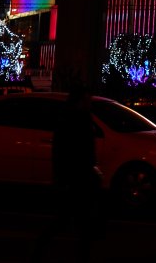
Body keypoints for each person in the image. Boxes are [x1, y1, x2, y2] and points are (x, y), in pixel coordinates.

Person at [32, 84, 104, 262]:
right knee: (74, 220)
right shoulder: (73, 120)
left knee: (73, 220)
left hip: (80, 176)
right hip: (76, 177)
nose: (89, 103)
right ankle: (41, 249)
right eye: (86, 100)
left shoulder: (78, 118)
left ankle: (41, 248)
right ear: (79, 101)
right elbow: (65, 152)